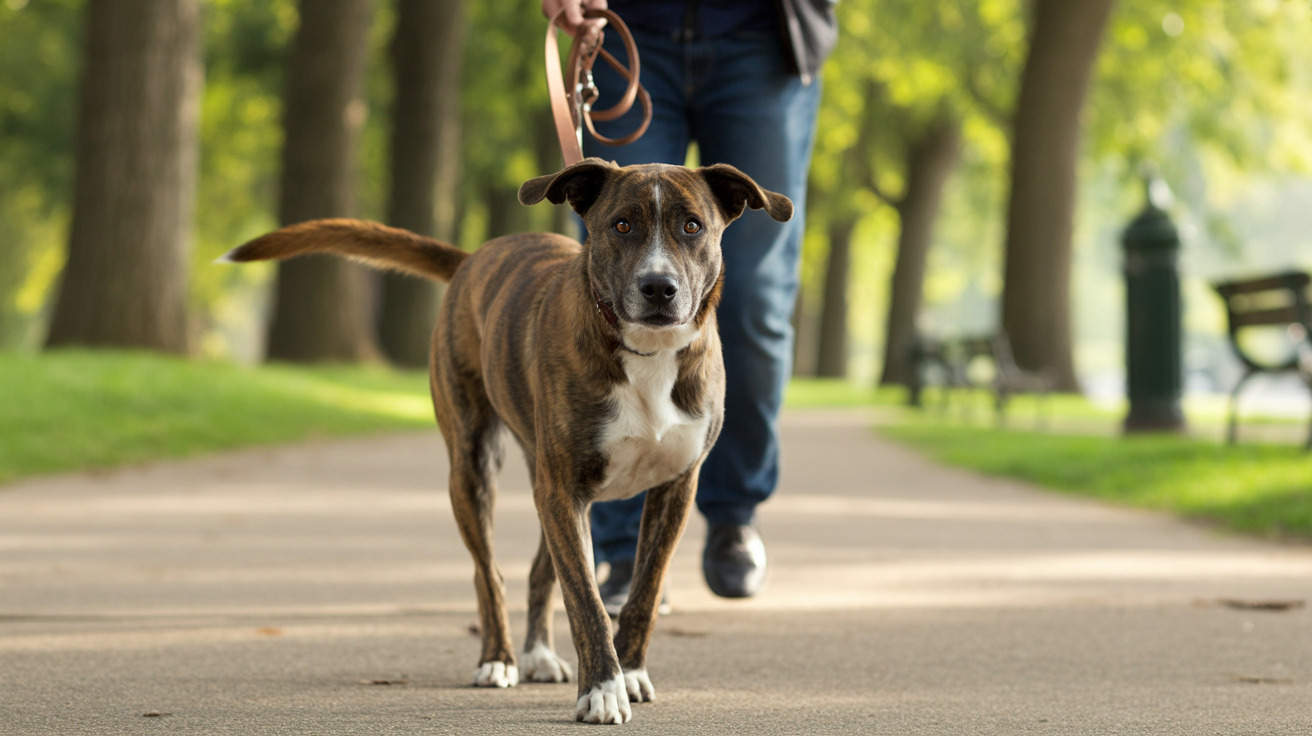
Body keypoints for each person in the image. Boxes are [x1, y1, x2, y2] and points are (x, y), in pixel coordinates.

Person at [541, 0, 837, 612]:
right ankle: (621, 551)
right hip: (627, 32)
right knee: (612, 278)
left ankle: (734, 514)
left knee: (754, 299)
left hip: (764, 39)